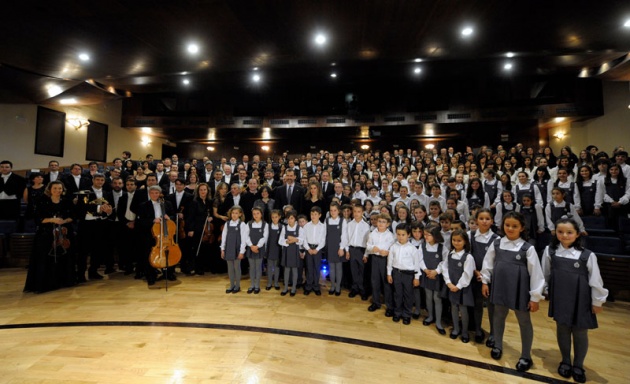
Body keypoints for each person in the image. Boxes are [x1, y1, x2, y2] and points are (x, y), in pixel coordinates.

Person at [541, 218, 608, 383]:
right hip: (560, 297)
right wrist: (544, 290)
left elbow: (595, 280)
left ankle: (578, 365)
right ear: (555, 233)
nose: (564, 235)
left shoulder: (587, 255)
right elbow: (545, 273)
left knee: (579, 332)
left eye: (569, 232)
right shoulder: (550, 251)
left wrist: (597, 301)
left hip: (581, 299)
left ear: (577, 234)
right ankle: (565, 361)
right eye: (560, 232)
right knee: (562, 329)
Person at [481, 211, 545, 372]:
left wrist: (535, 297)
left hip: (519, 290)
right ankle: (498, 345)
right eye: (507, 225)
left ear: (522, 228)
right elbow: (487, 264)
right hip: (500, 286)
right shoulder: (496, 243)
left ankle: (525, 356)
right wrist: (485, 281)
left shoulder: (527, 248)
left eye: (514, 226)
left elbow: (536, 273)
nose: (510, 228)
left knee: (524, 321)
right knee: (498, 317)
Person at [23, 181, 76, 293]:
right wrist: (52, 220)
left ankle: (63, 281)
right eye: (55, 188)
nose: (58, 190)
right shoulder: (42, 201)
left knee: (65, 257)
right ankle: (46, 283)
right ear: (50, 189)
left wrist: (64, 221)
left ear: (63, 189)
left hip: (64, 233)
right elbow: (38, 219)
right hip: (46, 233)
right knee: (45, 258)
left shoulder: (66, 201)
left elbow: (73, 216)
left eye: (60, 188)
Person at [135, 185, 176, 286]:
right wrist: (153, 220)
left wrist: (169, 217)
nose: (154, 195)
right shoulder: (143, 205)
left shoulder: (167, 204)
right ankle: (151, 276)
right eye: (152, 193)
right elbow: (140, 221)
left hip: (165, 234)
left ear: (160, 194)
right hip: (151, 234)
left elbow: (173, 216)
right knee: (150, 255)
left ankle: (168, 273)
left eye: (156, 193)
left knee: (167, 253)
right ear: (149, 194)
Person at [442, 229, 475, 342]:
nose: (456, 243)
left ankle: (465, 332)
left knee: (463, 309)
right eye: (454, 240)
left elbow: (468, 274)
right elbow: (444, 268)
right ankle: (456, 329)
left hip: (462, 288)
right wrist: (448, 283)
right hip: (451, 286)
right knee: (453, 308)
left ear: (465, 241)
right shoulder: (450, 255)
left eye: (459, 240)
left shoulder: (468, 257)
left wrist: (459, 286)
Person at [387, 223, 421, 325]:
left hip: (408, 275)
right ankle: (397, 312)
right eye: (398, 234)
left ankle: (406, 314)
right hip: (396, 273)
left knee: (408, 295)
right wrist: (389, 274)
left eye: (403, 235)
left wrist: (416, 277)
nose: (400, 237)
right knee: (397, 294)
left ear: (408, 235)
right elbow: (390, 261)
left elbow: (416, 265)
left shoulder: (412, 249)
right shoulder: (393, 247)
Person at [420, 223, 448, 335]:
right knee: (428, 297)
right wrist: (425, 270)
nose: (426, 237)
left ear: (435, 235)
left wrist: (436, 271)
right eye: (425, 234)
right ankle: (430, 316)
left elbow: (445, 262)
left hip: (436, 277)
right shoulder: (423, 246)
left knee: (437, 298)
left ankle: (438, 321)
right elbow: (420, 259)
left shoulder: (442, 247)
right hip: (427, 275)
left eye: (428, 235)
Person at [366, 213, 396, 316]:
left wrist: (387, 252)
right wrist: (372, 248)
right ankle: (376, 302)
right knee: (375, 281)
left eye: (383, 222)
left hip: (385, 260)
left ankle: (389, 306)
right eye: (379, 221)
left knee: (386, 283)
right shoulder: (372, 233)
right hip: (375, 259)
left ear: (388, 224)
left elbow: (392, 248)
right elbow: (368, 245)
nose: (381, 224)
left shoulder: (390, 236)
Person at [185, 183, 214, 275]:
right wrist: (190, 229)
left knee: (204, 248)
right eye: (201, 190)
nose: (203, 191)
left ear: (207, 191)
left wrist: (211, 217)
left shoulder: (209, 202)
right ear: (198, 191)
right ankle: (196, 267)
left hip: (206, 229)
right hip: (197, 228)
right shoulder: (194, 202)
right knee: (196, 248)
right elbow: (190, 217)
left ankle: (204, 266)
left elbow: (211, 214)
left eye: (204, 190)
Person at [345, 204, 371, 300]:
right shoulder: (349, 224)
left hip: (361, 250)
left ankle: (362, 289)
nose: (356, 213)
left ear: (362, 212)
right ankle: (355, 288)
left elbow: (368, 241)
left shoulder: (366, 226)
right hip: (352, 249)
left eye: (359, 211)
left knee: (362, 271)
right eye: (355, 211)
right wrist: (347, 250)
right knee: (354, 270)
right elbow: (347, 238)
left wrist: (366, 254)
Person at [302, 206, 326, 295]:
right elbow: (304, 239)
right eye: (312, 214)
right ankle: (308, 286)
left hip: (317, 249)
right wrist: (308, 248)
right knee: (309, 268)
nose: (313, 216)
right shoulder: (306, 226)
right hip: (308, 248)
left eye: (315, 214)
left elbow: (323, 240)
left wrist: (317, 249)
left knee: (316, 268)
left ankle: (316, 286)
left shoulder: (323, 226)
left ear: (320, 215)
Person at [325, 202, 347, 296]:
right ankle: (332, 286)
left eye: (335, 210)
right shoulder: (326, 221)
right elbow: (324, 234)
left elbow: (344, 236)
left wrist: (341, 248)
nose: (333, 212)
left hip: (338, 247)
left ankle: (338, 286)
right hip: (329, 247)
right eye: (331, 210)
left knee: (338, 268)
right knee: (331, 268)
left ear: (338, 211)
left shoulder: (343, 221)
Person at [279, 210, 303, 296]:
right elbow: (280, 241)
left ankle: (293, 288)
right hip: (287, 251)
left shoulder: (299, 228)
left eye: (291, 218)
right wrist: (288, 241)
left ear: (295, 219)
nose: (290, 220)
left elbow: (301, 240)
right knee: (287, 270)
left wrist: (293, 239)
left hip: (295, 251)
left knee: (294, 270)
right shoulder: (284, 228)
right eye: (288, 218)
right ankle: (285, 287)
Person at [245, 206, 268, 294]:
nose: (256, 215)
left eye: (257, 213)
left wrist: (257, 246)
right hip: (251, 248)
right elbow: (246, 236)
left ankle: (257, 285)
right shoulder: (249, 224)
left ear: (261, 214)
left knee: (258, 268)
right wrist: (251, 246)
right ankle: (252, 285)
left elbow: (264, 238)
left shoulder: (265, 225)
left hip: (259, 249)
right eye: (254, 214)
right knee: (252, 268)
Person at [265, 209, 283, 291]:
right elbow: (266, 239)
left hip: (278, 249)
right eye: (273, 217)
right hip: (270, 249)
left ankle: (276, 282)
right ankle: (269, 282)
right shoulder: (268, 226)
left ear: (279, 217)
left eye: (276, 217)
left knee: (276, 267)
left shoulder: (282, 227)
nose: (274, 219)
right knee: (269, 267)